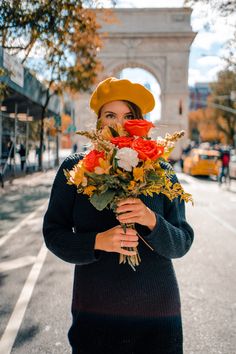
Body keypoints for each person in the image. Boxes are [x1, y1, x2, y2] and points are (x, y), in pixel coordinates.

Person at [43, 77, 194, 354]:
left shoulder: (161, 169)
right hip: (95, 316)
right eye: (110, 115)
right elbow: (54, 233)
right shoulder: (74, 169)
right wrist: (97, 242)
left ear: (139, 121)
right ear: (99, 121)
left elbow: (182, 241)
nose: (119, 124)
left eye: (128, 116)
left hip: (157, 317)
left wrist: (151, 220)